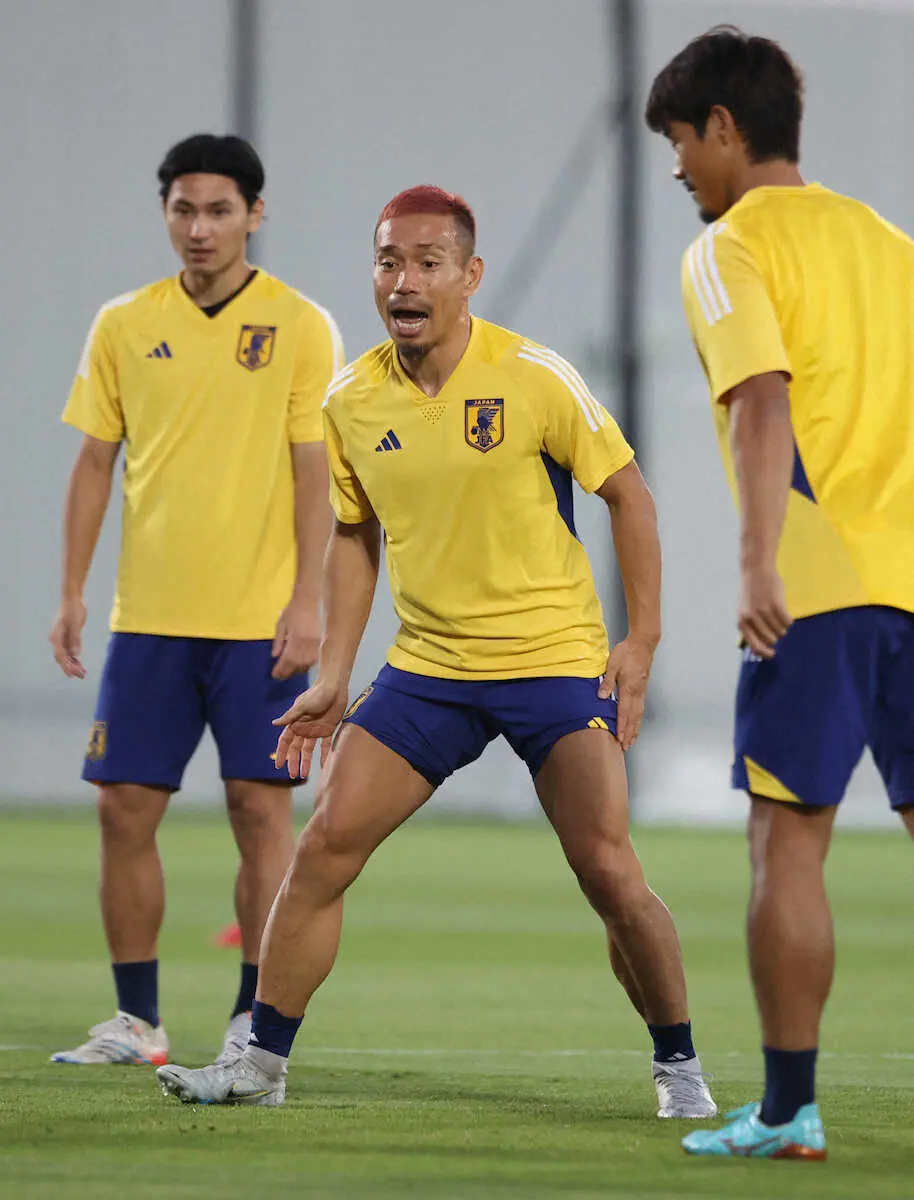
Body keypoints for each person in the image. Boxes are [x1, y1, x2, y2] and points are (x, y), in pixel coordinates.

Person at [155, 184, 717, 1121]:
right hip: (430, 669)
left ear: (469, 275)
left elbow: (630, 496)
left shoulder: (533, 376)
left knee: (610, 873)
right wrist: (337, 675)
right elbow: (353, 534)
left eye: (426, 263)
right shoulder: (351, 398)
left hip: (551, 660)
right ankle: (259, 1064)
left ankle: (681, 1072)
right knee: (323, 847)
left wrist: (642, 641)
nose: (403, 281)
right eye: (388, 262)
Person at [645, 26, 914, 1161]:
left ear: (723, 127)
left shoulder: (730, 245)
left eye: (679, 140)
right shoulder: (890, 243)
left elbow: (762, 399)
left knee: (787, 843)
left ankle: (787, 1110)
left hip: (819, 586)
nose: (676, 167)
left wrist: (757, 562)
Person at [49, 134, 343, 1066]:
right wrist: (72, 593)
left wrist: (308, 601)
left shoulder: (300, 324)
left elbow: (315, 474)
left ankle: (253, 1018)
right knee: (121, 810)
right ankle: (136, 1021)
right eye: (184, 209)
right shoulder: (123, 323)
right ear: (166, 214)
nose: (200, 227)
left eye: (219, 210)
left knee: (260, 813)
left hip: (259, 623)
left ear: (255, 213)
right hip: (149, 619)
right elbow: (94, 461)